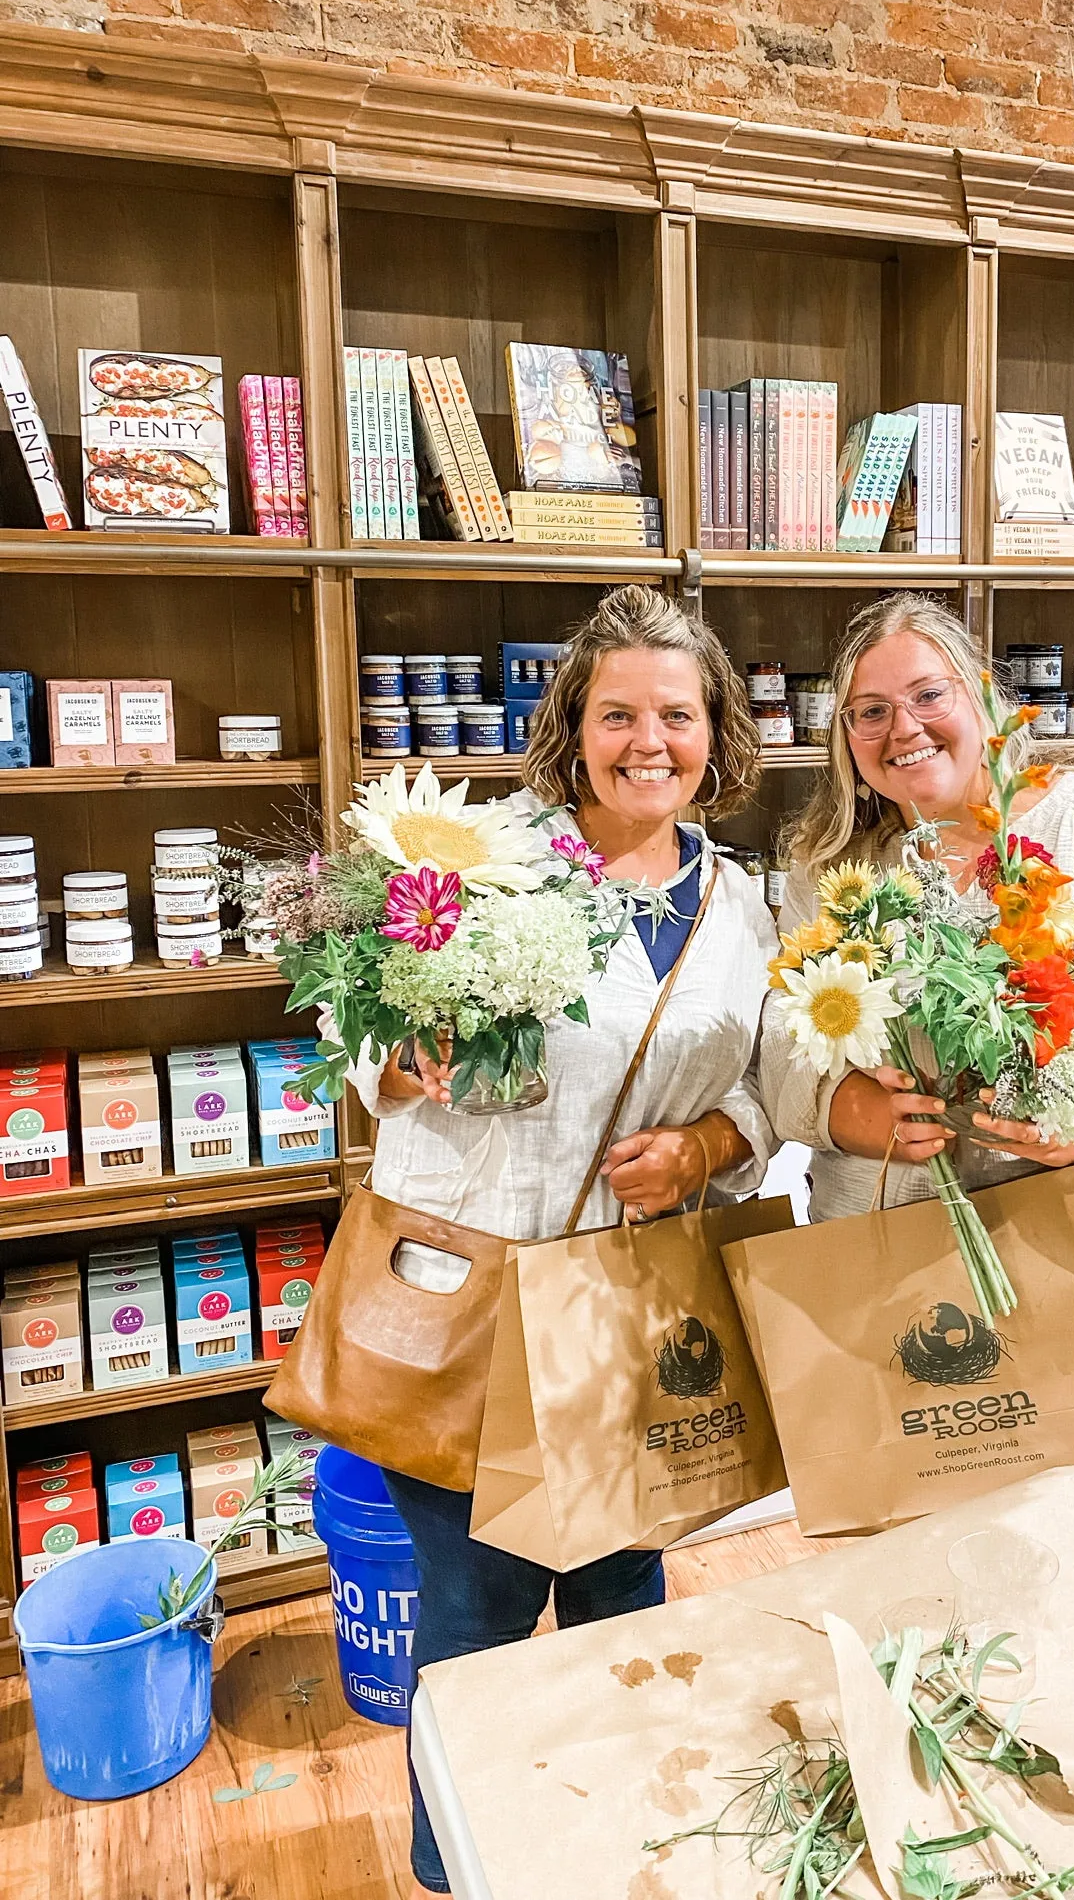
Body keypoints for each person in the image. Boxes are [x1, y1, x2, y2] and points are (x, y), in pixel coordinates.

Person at [344, 584, 778, 1897]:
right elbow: (359, 1036)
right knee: (475, 1626)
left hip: (634, 1314)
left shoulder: (740, 900)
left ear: (717, 731)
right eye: (618, 715)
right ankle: (461, 1868)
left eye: (677, 715)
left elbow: (772, 1081)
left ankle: (612, 1851)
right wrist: (399, 1058)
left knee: (618, 1606)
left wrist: (707, 1146)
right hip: (478, 1303)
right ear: (571, 727)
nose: (649, 742)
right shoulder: (481, 865)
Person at [759, 592, 1074, 1420]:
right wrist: (852, 1110)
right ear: (843, 739)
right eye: (870, 711)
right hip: (898, 1275)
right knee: (923, 1543)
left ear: (988, 703)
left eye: (930, 694)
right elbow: (782, 1056)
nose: (904, 728)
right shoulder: (831, 871)